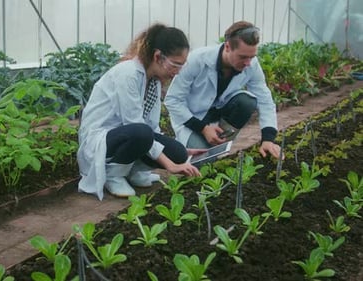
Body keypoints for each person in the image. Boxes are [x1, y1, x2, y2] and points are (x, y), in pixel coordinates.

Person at [77, 23, 205, 200]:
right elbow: (135, 125)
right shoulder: (128, 73)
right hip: (102, 138)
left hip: (127, 134)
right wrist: (169, 166)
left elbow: (152, 127)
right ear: (158, 56)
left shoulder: (153, 80)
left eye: (181, 66)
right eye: (175, 65)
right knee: (142, 133)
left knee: (178, 153)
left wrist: (175, 151)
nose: (177, 73)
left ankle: (133, 171)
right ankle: (114, 174)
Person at [164, 21, 282, 159]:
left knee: (246, 102)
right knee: (202, 163)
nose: (248, 63)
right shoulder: (196, 60)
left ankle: (220, 142)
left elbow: (265, 100)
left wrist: (268, 139)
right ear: (227, 47)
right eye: (243, 57)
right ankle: (200, 145)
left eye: (252, 56)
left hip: (219, 114)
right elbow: (172, 100)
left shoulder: (251, 64)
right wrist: (203, 128)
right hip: (193, 119)